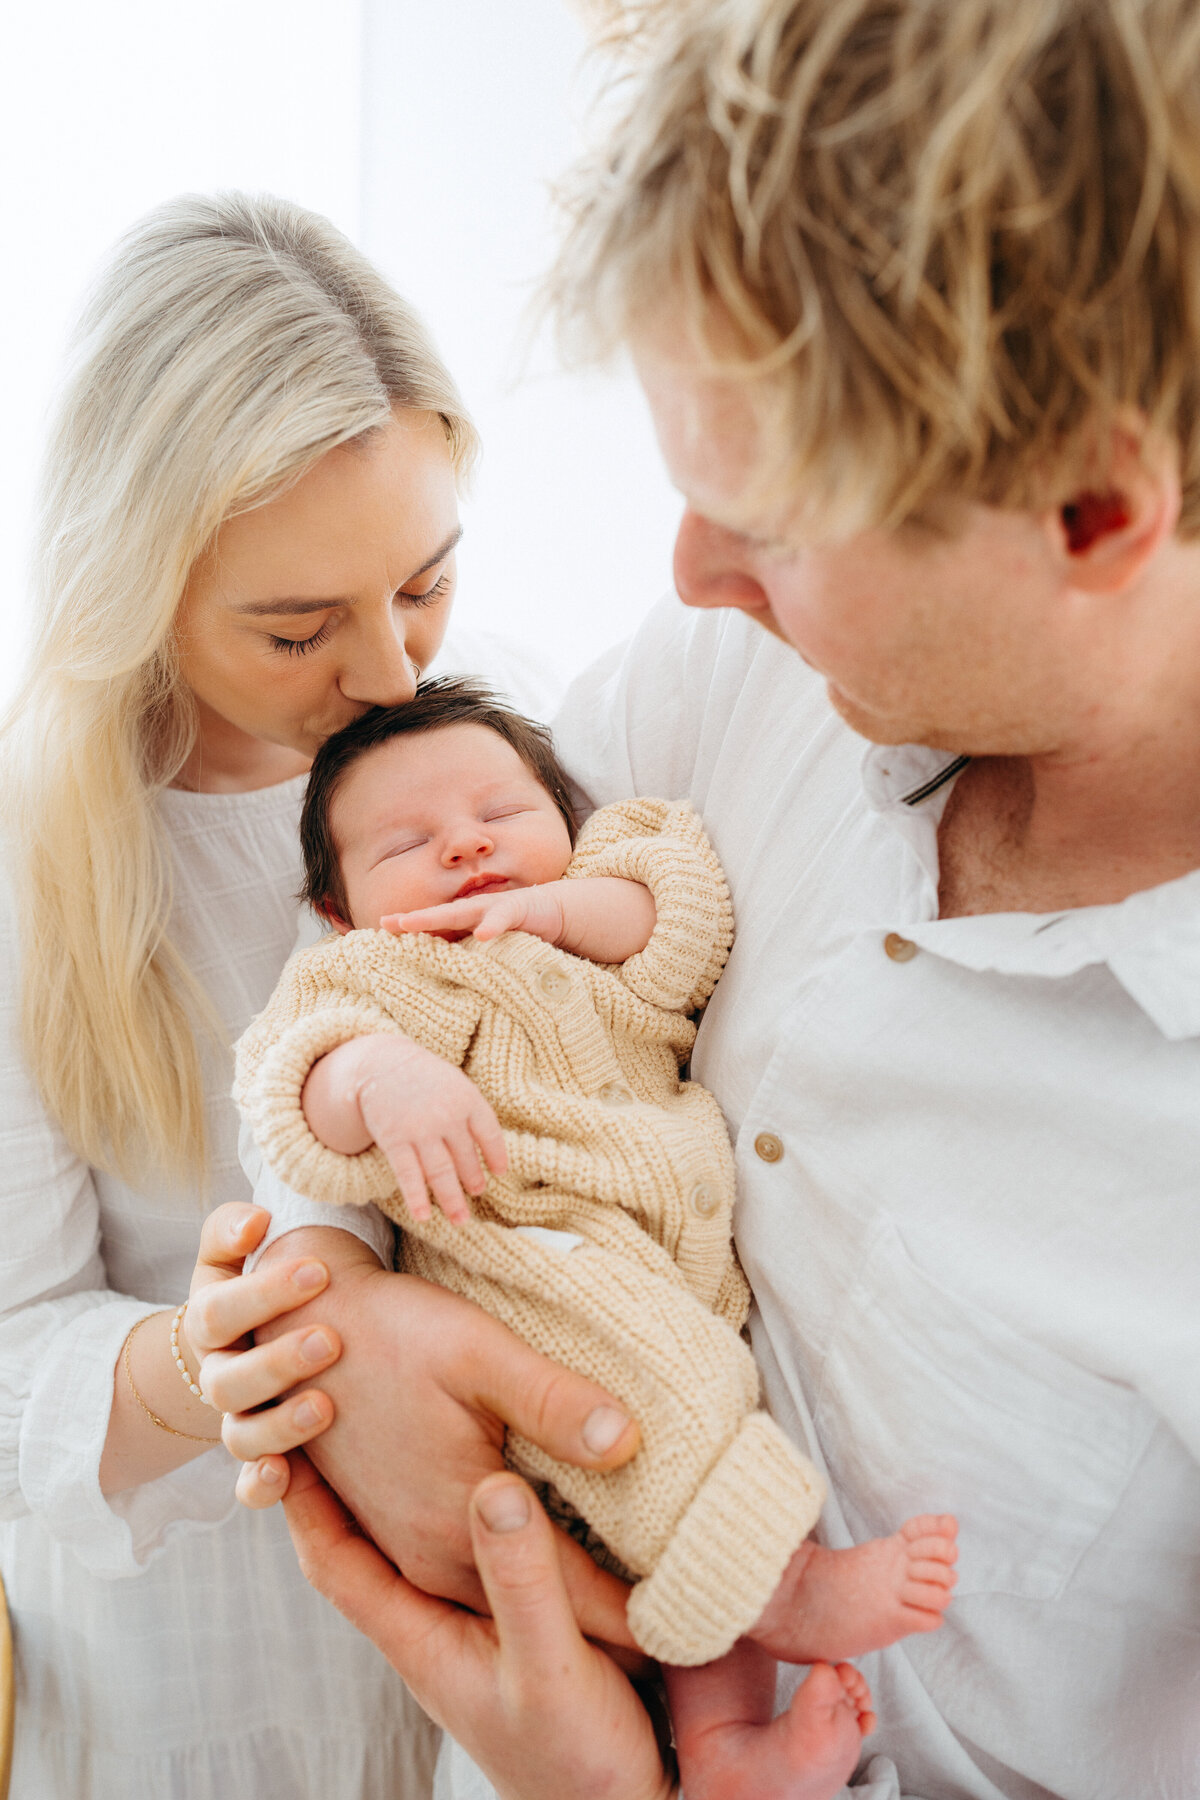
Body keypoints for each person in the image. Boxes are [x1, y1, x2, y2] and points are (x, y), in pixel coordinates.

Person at [218, 3, 1200, 1798]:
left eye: (776, 515)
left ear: (1091, 513)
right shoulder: (731, 683)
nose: (689, 572)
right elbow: (374, 947)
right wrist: (340, 1286)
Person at [0, 189, 641, 1800]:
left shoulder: (500, 734)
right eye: (297, 628)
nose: (393, 678)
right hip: (202, 1690)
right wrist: (218, 1365)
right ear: (136, 585)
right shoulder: (37, 867)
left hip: (531, 1663)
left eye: (425, 582)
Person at [233, 678, 961, 1794]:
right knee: (672, 1411)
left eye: (502, 813)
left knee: (713, 1414)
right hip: (537, 1272)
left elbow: (682, 918)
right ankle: (787, 1591)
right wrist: (382, 1078)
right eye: (409, 844)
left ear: (566, 819)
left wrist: (563, 909)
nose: (469, 849)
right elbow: (296, 1071)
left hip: (676, 1273)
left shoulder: (593, 919)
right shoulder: (392, 973)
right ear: (338, 911)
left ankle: (720, 1748)